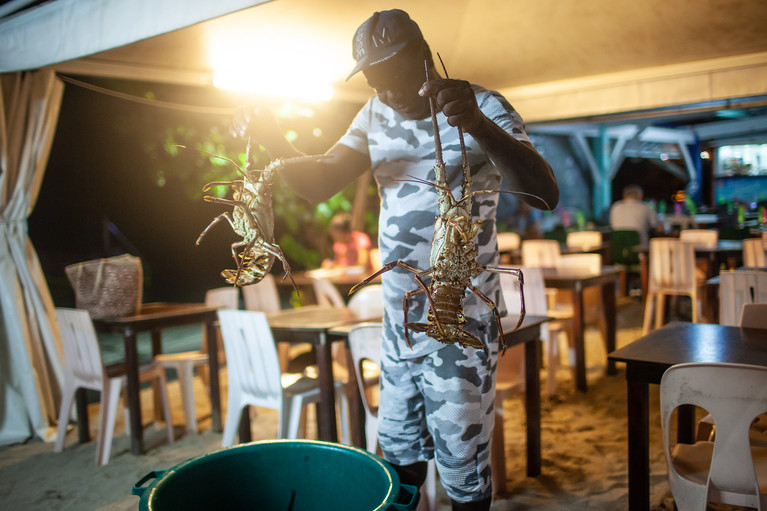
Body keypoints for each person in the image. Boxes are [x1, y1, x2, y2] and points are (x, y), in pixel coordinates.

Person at [231, 9, 558, 509]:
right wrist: (274, 136)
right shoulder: (373, 113)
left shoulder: (484, 105)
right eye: (372, 79)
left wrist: (475, 125)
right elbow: (320, 181)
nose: (383, 90)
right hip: (398, 325)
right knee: (398, 458)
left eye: (391, 75)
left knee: (463, 475)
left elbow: (545, 194)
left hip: (460, 325)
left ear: (423, 58)